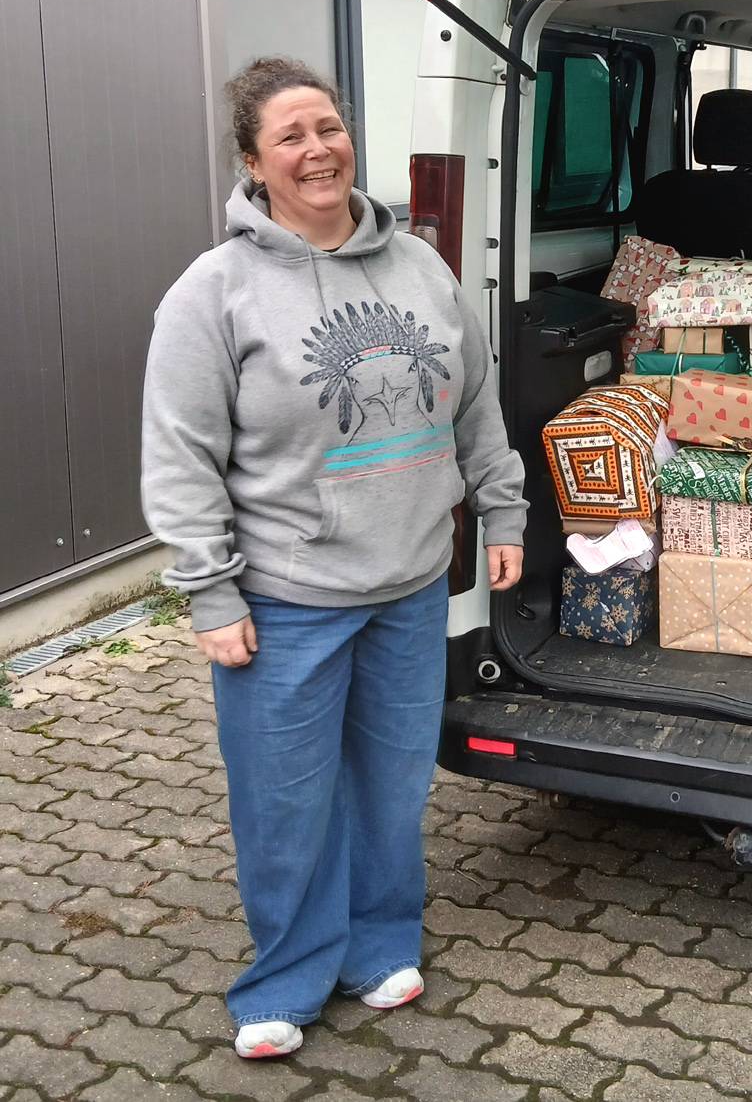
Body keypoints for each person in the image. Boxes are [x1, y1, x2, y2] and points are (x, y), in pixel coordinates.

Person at [141, 57, 526, 1060]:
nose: (318, 150)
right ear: (252, 162)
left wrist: (504, 512)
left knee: (391, 788)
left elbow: (475, 401)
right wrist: (209, 591)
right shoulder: (212, 293)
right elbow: (179, 455)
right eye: (290, 137)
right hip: (287, 599)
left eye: (329, 127)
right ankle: (285, 977)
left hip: (407, 588)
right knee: (285, 799)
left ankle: (381, 942)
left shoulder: (422, 267)